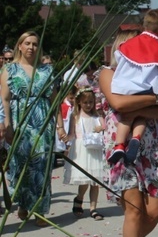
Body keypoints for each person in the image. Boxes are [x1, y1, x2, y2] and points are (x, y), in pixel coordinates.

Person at [99, 28, 158, 237]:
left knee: (153, 210)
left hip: (149, 147)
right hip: (122, 147)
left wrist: (144, 102)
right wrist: (150, 99)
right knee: (134, 210)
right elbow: (118, 104)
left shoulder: (151, 76)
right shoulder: (107, 73)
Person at [1, 31, 60, 226]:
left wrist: (58, 125)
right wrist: (7, 126)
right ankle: (24, 204)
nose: (31, 47)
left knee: (42, 166)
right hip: (20, 123)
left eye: (34, 44)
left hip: (42, 123)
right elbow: (5, 100)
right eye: (27, 43)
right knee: (22, 166)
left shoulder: (46, 71)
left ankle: (40, 210)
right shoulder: (10, 70)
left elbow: (54, 100)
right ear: (19, 45)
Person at [109, 9, 158, 164]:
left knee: (126, 117)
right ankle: (136, 138)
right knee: (141, 116)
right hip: (147, 89)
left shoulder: (128, 44)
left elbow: (118, 58)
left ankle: (119, 145)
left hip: (123, 88)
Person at [63, 87, 106, 220]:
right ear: (79, 102)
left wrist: (101, 127)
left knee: (95, 181)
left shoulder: (97, 116)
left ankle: (93, 208)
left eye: (91, 102)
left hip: (95, 150)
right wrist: (66, 138)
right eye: (85, 102)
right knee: (84, 180)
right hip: (82, 150)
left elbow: (105, 126)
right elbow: (72, 134)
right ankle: (79, 198)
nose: (88, 105)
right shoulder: (75, 116)